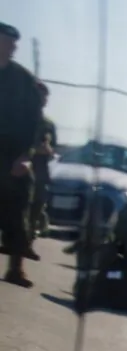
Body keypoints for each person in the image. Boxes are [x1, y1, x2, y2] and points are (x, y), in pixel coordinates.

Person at [0, 22, 42, 288]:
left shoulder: (24, 80)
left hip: (13, 155)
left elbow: (35, 123)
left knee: (17, 210)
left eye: (12, 45)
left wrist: (26, 156)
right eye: (5, 42)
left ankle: (16, 268)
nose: (10, 48)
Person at [27, 80, 56, 255]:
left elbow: (54, 149)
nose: (43, 100)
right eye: (40, 96)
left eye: (45, 97)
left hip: (41, 171)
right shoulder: (21, 119)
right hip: (21, 168)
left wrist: (48, 150)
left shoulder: (48, 124)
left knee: (36, 209)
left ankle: (27, 244)